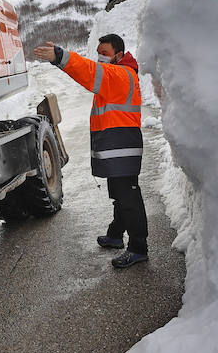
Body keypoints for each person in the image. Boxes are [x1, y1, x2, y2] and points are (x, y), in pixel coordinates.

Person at [32, 33, 148, 268]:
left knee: (129, 198)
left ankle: (138, 248)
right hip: (117, 145)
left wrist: (60, 56)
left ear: (118, 54)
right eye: (98, 53)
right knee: (120, 195)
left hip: (122, 146)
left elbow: (88, 71)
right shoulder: (117, 74)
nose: (100, 58)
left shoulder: (121, 74)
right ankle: (116, 235)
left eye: (104, 53)